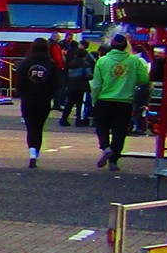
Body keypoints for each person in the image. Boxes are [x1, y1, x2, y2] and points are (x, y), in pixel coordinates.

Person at [91, 33, 146, 170]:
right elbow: (144, 79)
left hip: (104, 100)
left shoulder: (102, 61)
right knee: (120, 131)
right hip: (124, 102)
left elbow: (96, 84)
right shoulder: (134, 61)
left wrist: (94, 100)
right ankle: (114, 160)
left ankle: (105, 147)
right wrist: (132, 81)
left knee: (102, 126)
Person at [14, 37, 60, 168]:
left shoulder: (26, 62)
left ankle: (32, 151)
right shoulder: (50, 63)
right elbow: (55, 83)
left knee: (30, 127)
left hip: (28, 99)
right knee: (39, 127)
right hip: (43, 100)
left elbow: (20, 82)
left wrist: (22, 93)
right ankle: (36, 152)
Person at [59, 40, 94, 126]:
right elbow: (89, 75)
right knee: (79, 104)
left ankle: (63, 119)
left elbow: (67, 74)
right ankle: (79, 121)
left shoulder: (71, 63)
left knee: (69, 103)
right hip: (81, 86)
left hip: (71, 85)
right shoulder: (85, 64)